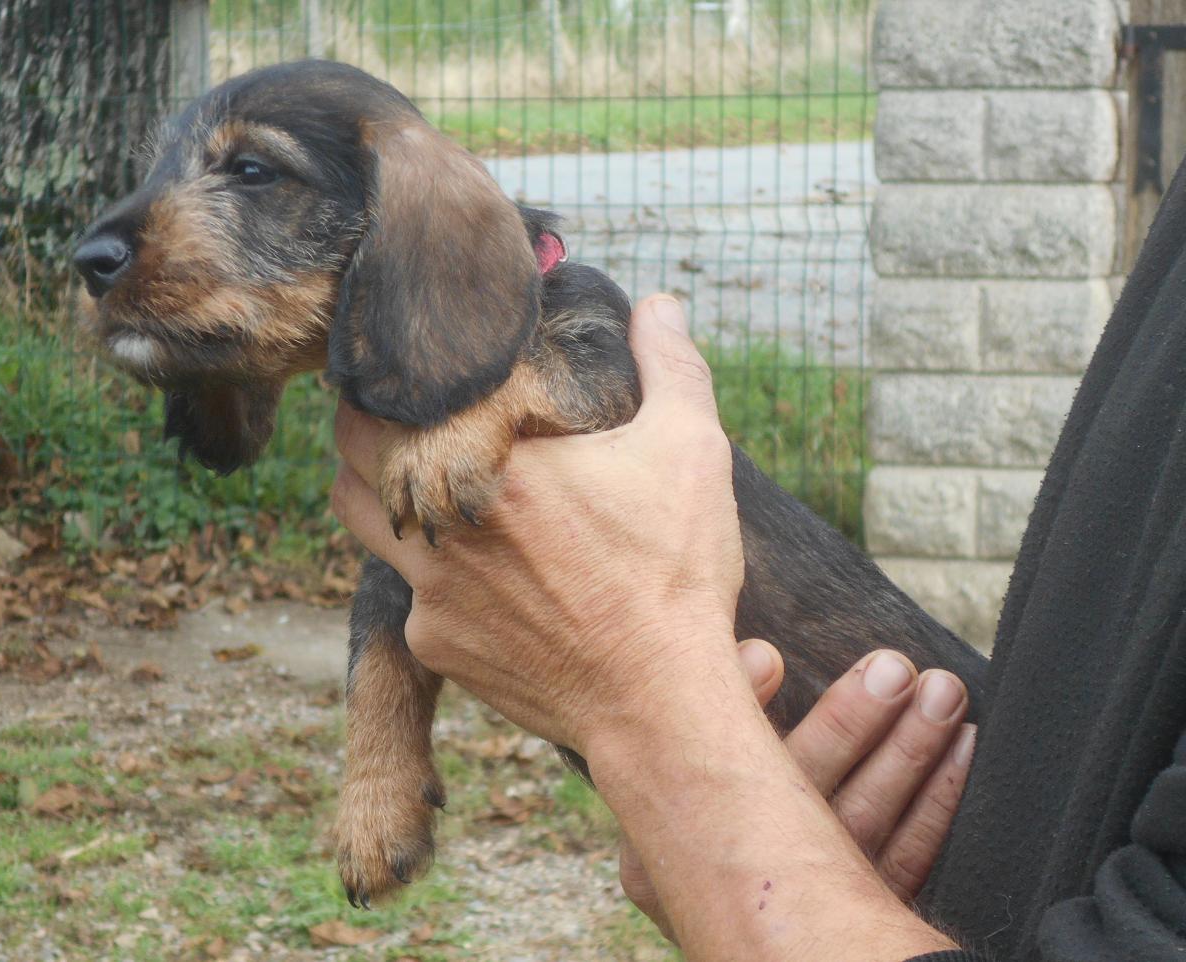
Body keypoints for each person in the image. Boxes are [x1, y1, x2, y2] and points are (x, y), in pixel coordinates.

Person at [329, 164, 1186, 961]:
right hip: (966, 837)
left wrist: (670, 758)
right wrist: (754, 860)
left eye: (253, 175)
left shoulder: (563, 313)